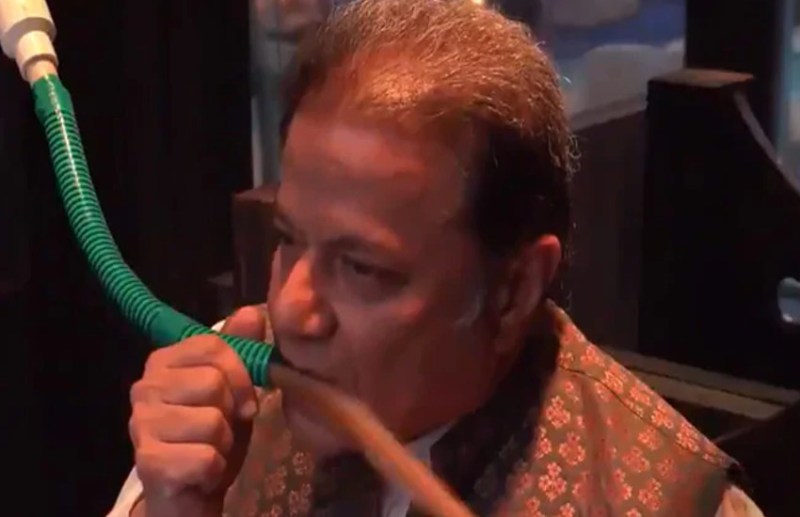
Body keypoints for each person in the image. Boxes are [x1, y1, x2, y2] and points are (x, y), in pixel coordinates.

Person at [109, 1, 765, 515]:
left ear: (513, 290)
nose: (291, 310)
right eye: (290, 239)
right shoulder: (224, 399)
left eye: (362, 268)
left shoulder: (673, 502)